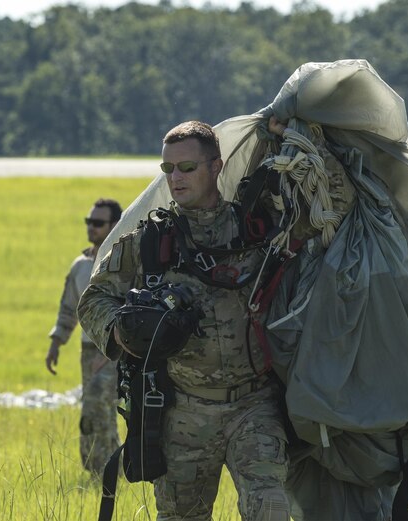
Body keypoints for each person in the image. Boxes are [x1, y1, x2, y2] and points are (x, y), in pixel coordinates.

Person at [78, 121, 291, 520]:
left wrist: (280, 134)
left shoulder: (258, 230)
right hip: (181, 412)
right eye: (167, 169)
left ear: (217, 167)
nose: (175, 178)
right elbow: (93, 300)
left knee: (271, 509)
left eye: (187, 167)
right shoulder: (149, 243)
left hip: (255, 405)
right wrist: (125, 332)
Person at [44, 198, 122, 476]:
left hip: (115, 351)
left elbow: (128, 311)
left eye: (98, 223)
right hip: (88, 350)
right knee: (90, 410)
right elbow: (69, 309)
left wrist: (109, 352)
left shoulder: (122, 263)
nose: (92, 228)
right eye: (89, 222)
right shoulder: (80, 265)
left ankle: (110, 471)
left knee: (101, 407)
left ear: (115, 225)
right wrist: (56, 344)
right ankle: (94, 471)